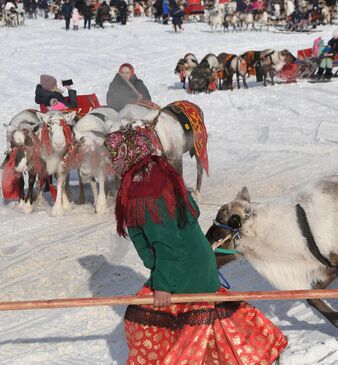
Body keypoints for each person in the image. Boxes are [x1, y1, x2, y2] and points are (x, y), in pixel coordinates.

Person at [103, 129, 288, 365]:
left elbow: (167, 244)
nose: (109, 161)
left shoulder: (145, 191)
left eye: (111, 155)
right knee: (203, 322)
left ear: (126, 155)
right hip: (197, 262)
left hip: (183, 269)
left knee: (143, 324)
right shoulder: (160, 173)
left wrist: (162, 286)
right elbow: (190, 214)